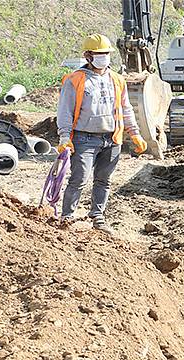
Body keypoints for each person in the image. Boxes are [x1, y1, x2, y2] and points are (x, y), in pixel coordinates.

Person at [56, 33, 147, 235]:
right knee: (79, 178)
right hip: (84, 138)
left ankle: (97, 215)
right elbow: (65, 111)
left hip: (112, 138)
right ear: (88, 56)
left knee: (104, 180)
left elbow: (126, 108)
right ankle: (67, 218)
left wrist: (135, 133)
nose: (103, 57)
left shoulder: (116, 79)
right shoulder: (75, 80)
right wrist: (64, 137)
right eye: (98, 53)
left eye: (105, 53)